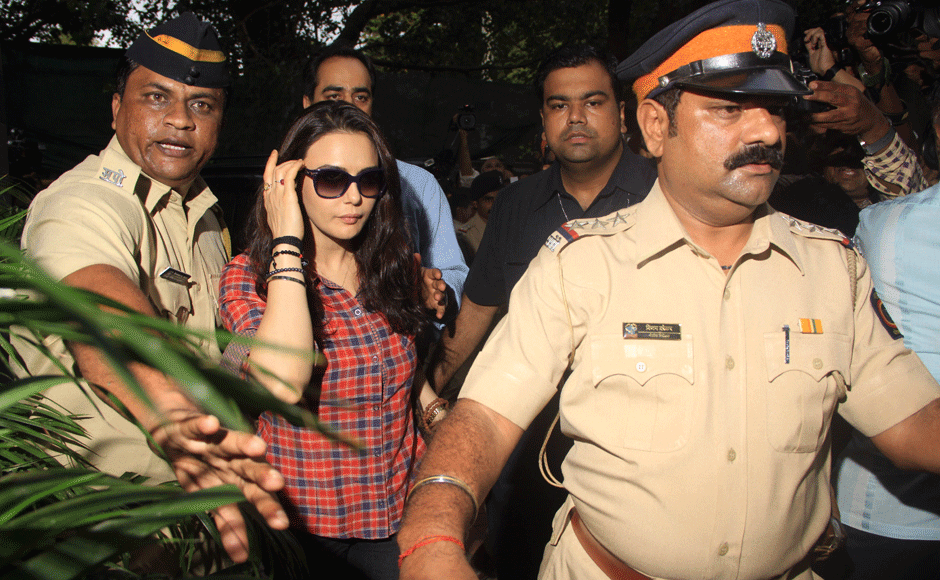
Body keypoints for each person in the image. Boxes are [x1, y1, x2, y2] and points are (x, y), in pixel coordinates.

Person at [396, 1, 940, 579]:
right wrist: (431, 533)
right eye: (729, 110)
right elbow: (483, 417)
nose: (766, 131)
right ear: (657, 126)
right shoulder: (580, 265)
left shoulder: (834, 269)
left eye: (776, 109)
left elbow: (912, 422)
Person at [13, 13, 286, 563]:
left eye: (202, 104)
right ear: (117, 110)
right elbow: (96, 298)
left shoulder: (206, 217)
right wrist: (169, 408)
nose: (181, 120)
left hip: (202, 511)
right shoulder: (83, 200)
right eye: (157, 98)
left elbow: (218, 349)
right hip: (103, 527)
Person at [424, 43, 657, 580]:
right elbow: (476, 314)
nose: (575, 117)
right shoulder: (514, 205)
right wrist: (424, 387)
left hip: (635, 454)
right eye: (559, 105)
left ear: (622, 114)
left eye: (593, 101)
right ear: (543, 119)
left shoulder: (665, 195)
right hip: (524, 448)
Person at [219, 101, 441, 579]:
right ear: (290, 183)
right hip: (306, 530)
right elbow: (280, 383)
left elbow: (399, 365)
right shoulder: (252, 276)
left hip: (401, 516)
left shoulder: (394, 264)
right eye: (331, 180)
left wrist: (437, 412)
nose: (354, 197)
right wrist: (287, 242)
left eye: (368, 179)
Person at [824, 83, 940, 580]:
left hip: (884, 518)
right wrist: (875, 130)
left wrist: (875, 130)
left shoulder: (885, 230)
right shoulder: (889, 227)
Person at [301, 47, 467, 324]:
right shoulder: (284, 183)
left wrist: (435, 291)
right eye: (333, 96)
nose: (348, 106)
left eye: (360, 96)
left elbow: (451, 271)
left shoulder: (416, 184)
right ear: (308, 103)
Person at [455, 170, 505, 256]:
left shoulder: (513, 225)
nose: (496, 204)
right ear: (475, 204)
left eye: (500, 198)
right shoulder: (466, 236)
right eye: (489, 199)